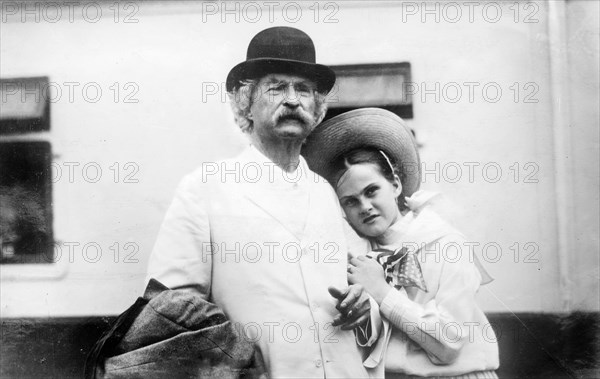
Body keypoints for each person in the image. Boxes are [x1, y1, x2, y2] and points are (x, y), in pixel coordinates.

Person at [146, 27, 377, 378]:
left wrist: (365, 304)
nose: (293, 100)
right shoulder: (205, 190)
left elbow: (359, 282)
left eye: (303, 89)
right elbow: (169, 312)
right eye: (276, 87)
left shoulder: (326, 193)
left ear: (317, 108)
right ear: (245, 103)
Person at [302, 108, 500, 379]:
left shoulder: (444, 242)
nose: (365, 207)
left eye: (372, 191)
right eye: (350, 201)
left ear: (395, 184)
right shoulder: (360, 257)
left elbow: (449, 343)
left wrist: (382, 292)